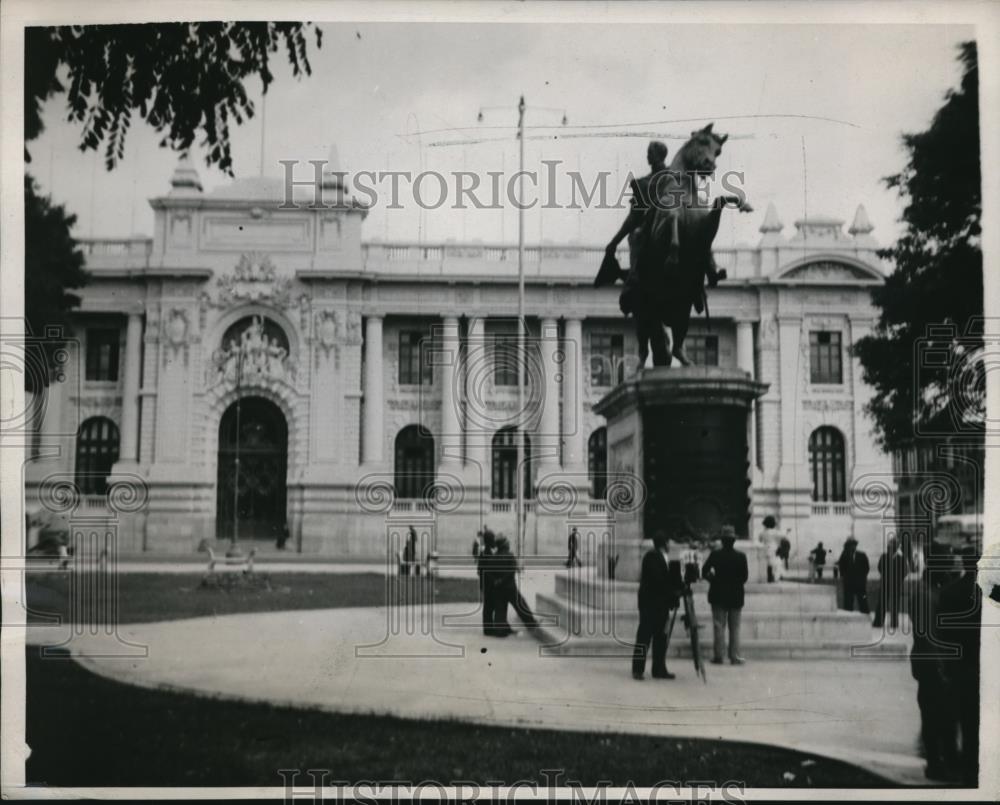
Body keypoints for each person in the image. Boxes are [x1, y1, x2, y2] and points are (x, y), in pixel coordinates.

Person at [908, 564, 959, 782]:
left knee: (936, 715)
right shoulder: (924, 595)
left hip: (930, 663)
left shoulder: (926, 592)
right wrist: (940, 668)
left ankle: (941, 761)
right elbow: (928, 636)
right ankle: (935, 765)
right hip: (931, 664)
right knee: (933, 716)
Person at [937, 546, 981, 785]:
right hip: (983, 666)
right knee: (979, 720)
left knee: (960, 717)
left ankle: (963, 767)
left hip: (959, 666)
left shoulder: (950, 592)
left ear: (963, 562)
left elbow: (943, 634)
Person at [632, 529, 684, 680]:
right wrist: (673, 588)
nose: (670, 545)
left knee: (660, 637)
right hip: (651, 604)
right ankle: (638, 669)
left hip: (659, 604)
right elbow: (658, 581)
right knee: (645, 636)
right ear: (665, 543)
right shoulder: (652, 557)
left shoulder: (659, 557)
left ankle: (659, 669)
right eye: (669, 542)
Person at [701, 524, 749, 665]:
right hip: (735, 596)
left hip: (718, 594)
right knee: (734, 628)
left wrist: (713, 580)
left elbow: (704, 571)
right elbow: (744, 577)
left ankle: (718, 656)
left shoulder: (715, 554)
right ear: (734, 541)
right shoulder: (741, 556)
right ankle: (734, 656)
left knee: (718, 626)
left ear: (722, 541)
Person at [491, 536, 540, 633]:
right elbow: (512, 570)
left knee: (500, 608)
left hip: (499, 588)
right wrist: (503, 580)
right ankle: (531, 623)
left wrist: (497, 581)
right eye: (507, 542)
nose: (509, 544)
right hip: (510, 587)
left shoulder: (494, 557)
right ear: (504, 545)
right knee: (521, 605)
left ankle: (500, 629)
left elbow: (491, 572)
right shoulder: (509, 555)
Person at [874, 537, 906, 629]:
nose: (890, 548)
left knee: (895, 605)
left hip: (895, 585)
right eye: (889, 547)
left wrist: (897, 579)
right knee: (881, 603)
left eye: (892, 547)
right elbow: (880, 567)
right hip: (886, 584)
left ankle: (894, 623)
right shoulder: (884, 556)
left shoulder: (901, 558)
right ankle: (878, 622)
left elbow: (904, 571)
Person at [836, 537, 870, 613]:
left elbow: (866, 568)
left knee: (863, 601)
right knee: (848, 602)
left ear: (856, 545)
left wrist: (862, 578)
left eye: (854, 545)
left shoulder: (862, 555)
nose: (852, 547)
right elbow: (841, 568)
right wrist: (845, 578)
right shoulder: (844, 555)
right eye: (850, 545)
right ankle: (847, 617)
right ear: (847, 546)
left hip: (860, 583)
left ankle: (866, 617)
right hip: (848, 583)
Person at [476, 529, 499, 635]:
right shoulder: (487, 553)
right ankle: (488, 628)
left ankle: (488, 628)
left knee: (489, 606)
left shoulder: (486, 551)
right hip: (488, 584)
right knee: (489, 606)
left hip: (486, 583)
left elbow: (479, 570)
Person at [760, 515, 781, 582]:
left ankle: (769, 577)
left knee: (768, 564)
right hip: (773, 548)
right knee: (775, 563)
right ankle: (773, 577)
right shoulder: (775, 532)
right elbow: (781, 538)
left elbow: (760, 540)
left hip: (765, 548)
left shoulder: (762, 533)